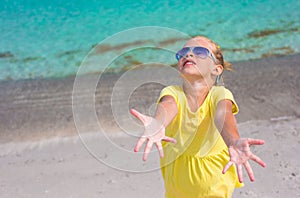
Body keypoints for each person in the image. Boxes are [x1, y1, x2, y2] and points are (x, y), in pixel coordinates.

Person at [130, 35, 266, 198]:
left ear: (216, 69)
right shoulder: (172, 93)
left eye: (200, 52)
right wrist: (158, 124)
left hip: (215, 181)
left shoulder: (219, 94)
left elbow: (223, 114)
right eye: (183, 52)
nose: (189, 54)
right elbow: (168, 106)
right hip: (177, 185)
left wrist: (233, 141)